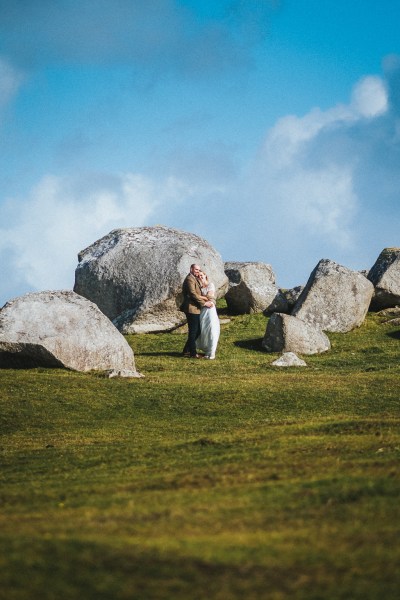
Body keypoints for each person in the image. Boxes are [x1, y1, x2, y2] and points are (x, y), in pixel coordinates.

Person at [181, 264, 213, 358]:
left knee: (197, 331)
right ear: (191, 269)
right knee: (194, 331)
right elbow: (192, 294)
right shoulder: (189, 279)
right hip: (191, 308)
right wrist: (204, 303)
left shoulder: (194, 278)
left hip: (195, 308)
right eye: (196, 269)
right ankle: (193, 353)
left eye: (199, 270)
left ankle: (187, 350)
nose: (197, 271)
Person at [196, 271, 220, 359]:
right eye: (198, 276)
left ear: (205, 275)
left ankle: (212, 352)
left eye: (201, 275)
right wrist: (202, 297)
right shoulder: (199, 287)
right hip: (203, 309)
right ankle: (207, 351)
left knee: (212, 329)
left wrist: (198, 296)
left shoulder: (210, 285)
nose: (200, 277)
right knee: (204, 330)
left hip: (210, 309)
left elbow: (209, 296)